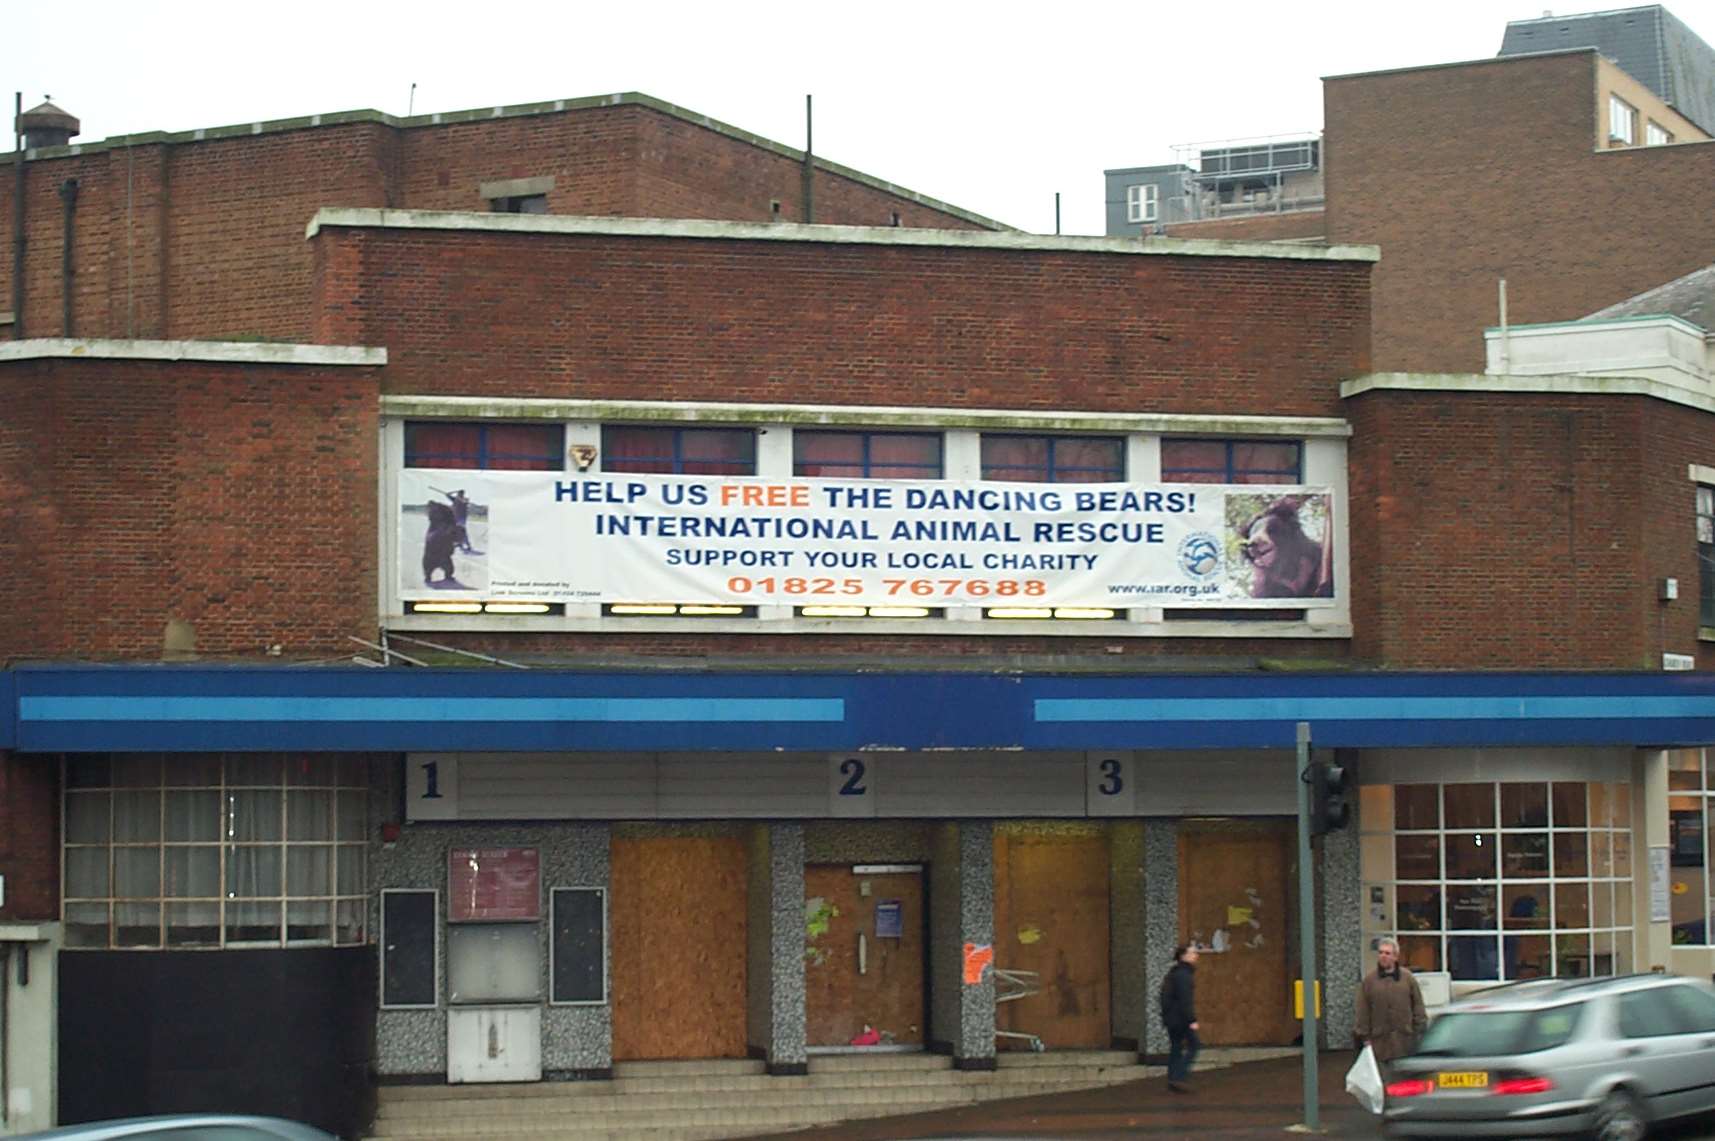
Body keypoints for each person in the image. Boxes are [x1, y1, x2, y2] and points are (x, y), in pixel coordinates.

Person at [1354, 938, 1427, 1065]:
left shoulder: (1408, 979)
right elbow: (1362, 1010)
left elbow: (1418, 1006)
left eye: (1387, 953)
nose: (1383, 956)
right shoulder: (1369, 981)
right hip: (1379, 1044)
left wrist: (1418, 1031)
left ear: (1395, 956)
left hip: (1404, 1042)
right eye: (1381, 952)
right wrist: (1365, 1037)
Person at [1159, 943, 1200, 1093]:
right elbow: (1185, 1000)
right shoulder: (1184, 975)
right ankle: (1179, 1076)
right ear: (1183, 956)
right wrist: (1192, 1020)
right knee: (1195, 1045)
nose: (1196, 955)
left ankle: (1172, 1078)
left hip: (1172, 1018)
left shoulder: (1174, 973)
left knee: (1176, 1046)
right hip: (1181, 1018)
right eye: (1192, 952)